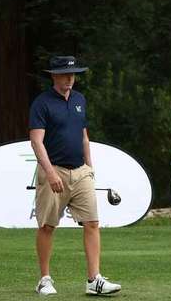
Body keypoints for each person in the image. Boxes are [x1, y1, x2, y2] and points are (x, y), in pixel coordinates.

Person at [30, 56, 121, 296]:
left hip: (81, 171)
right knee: (47, 226)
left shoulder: (80, 99)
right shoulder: (42, 103)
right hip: (54, 170)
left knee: (92, 223)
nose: (70, 79)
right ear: (54, 76)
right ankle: (44, 279)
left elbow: (84, 137)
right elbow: (36, 141)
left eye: (72, 75)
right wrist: (49, 173)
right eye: (64, 74)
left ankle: (94, 279)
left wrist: (90, 168)